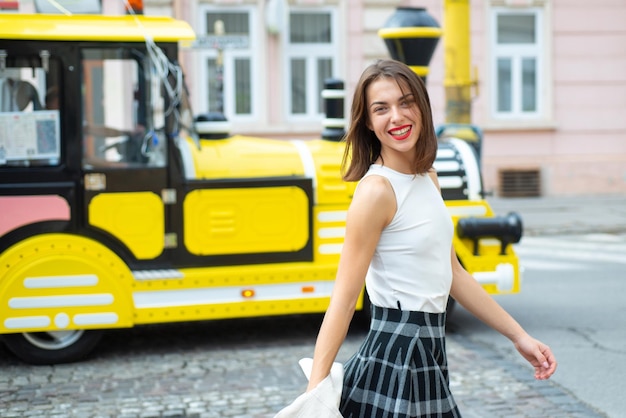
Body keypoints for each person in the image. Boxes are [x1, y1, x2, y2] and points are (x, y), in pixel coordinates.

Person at [295, 59, 557, 417]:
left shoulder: (427, 178)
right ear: (368, 123)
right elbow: (343, 299)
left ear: (422, 106)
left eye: (406, 102)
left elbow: (455, 275)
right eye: (381, 109)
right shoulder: (376, 191)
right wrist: (314, 399)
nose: (397, 117)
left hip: (428, 348)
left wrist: (519, 336)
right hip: (397, 353)